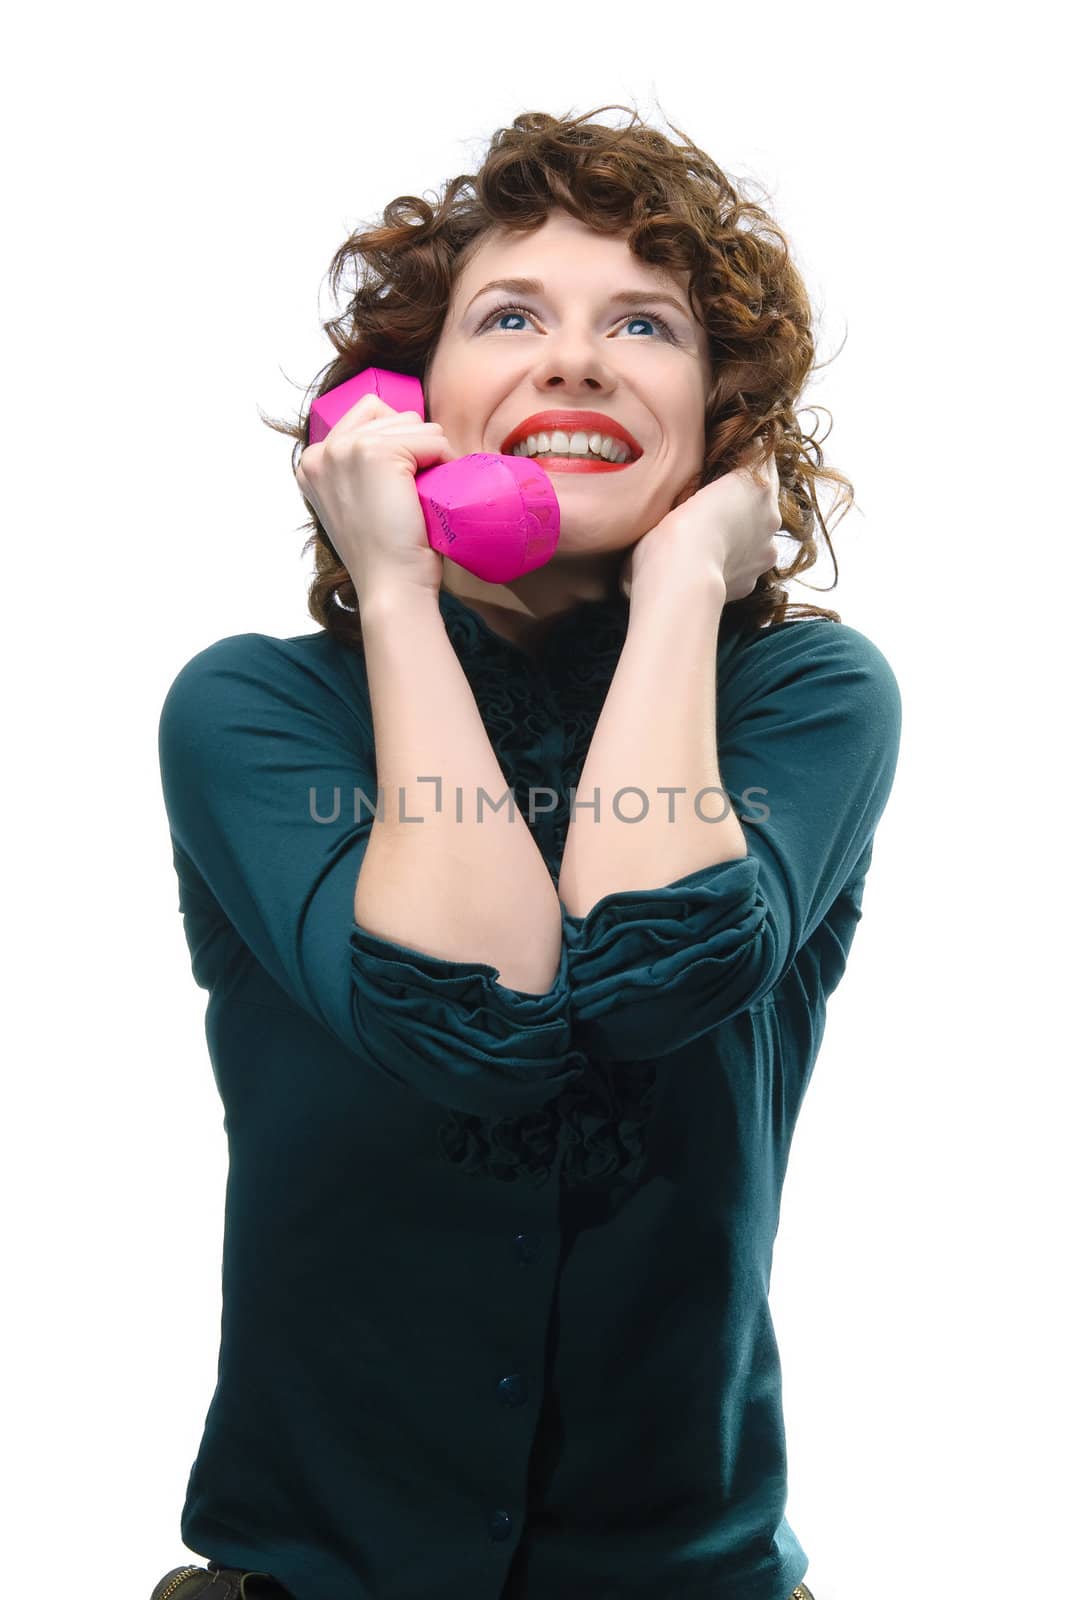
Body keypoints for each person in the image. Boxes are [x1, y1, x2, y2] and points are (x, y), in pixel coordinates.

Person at [153, 103, 899, 1600]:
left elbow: (651, 971)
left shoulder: (807, 700)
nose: (578, 358)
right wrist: (400, 588)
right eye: (512, 317)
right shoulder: (254, 711)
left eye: (646, 325)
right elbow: (475, 1014)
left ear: (720, 425)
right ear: (399, 408)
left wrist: (685, 578)